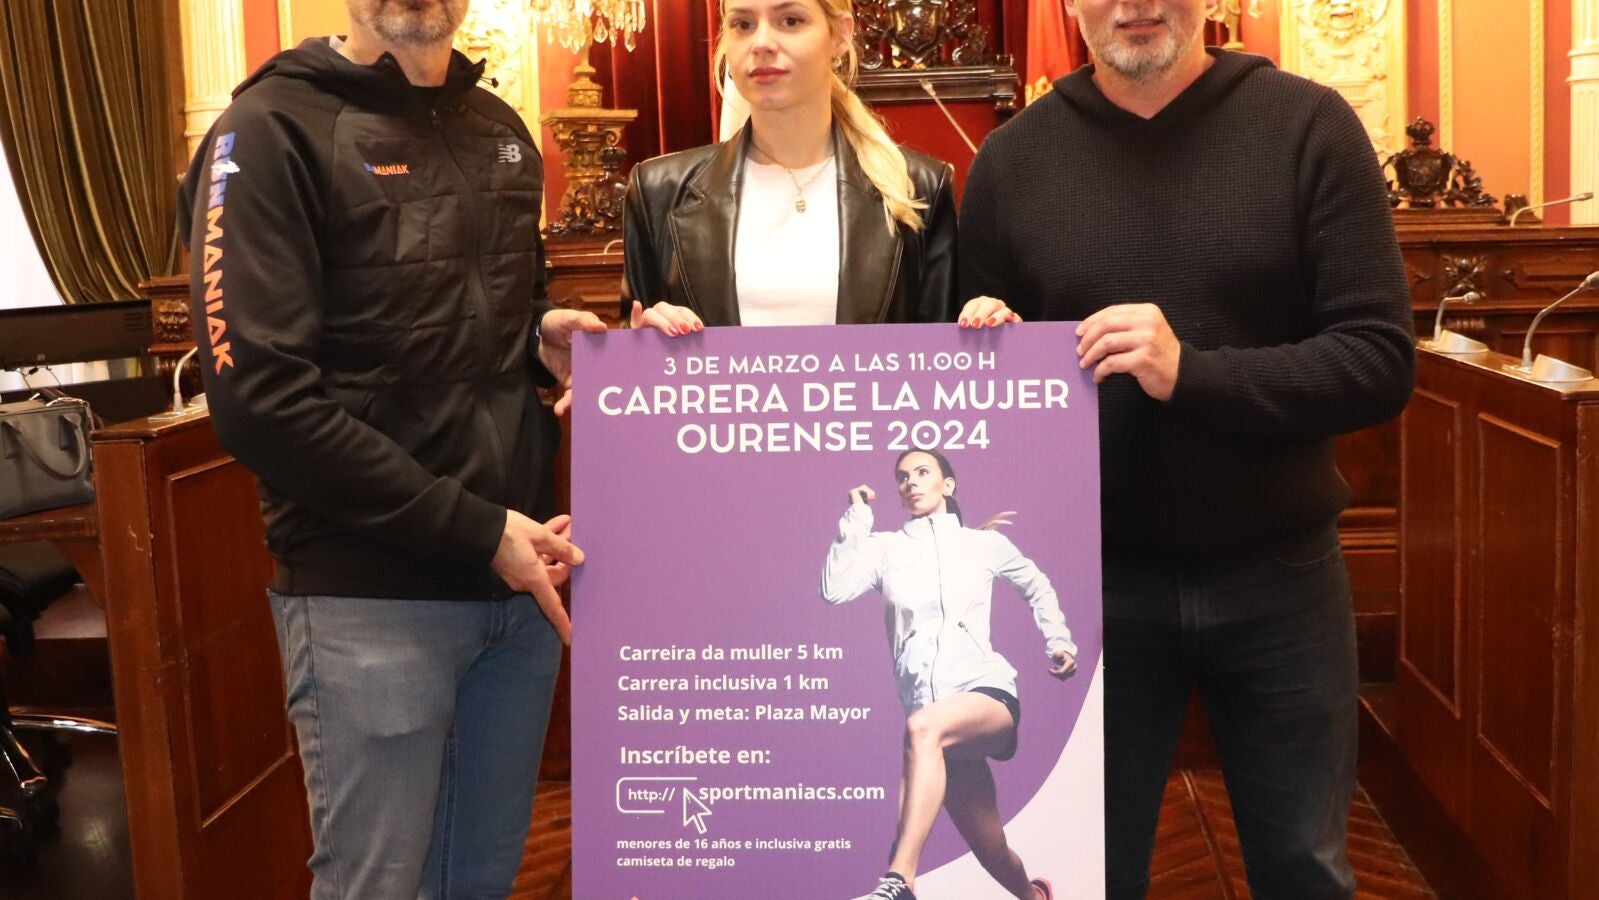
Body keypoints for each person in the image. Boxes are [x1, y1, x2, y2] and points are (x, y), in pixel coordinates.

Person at [958, 2, 1416, 898]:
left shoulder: (1308, 126)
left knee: (1305, 871)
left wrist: (1191, 373)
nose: (1134, 6)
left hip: (1280, 579)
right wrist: (982, 343)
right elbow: (979, 402)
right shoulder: (1010, 161)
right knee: (1086, 875)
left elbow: (1378, 361)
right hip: (1091, 590)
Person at [176, 1, 605, 895]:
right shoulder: (267, 131)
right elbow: (259, 402)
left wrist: (538, 335)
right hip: (368, 595)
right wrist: (477, 529)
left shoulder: (498, 128)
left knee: (477, 882)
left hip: (514, 586)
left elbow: (476, 311)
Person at [619, 0, 1016, 332]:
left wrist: (991, 336)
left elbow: (941, 365)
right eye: (742, 24)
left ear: (840, 35)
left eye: (790, 21)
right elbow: (631, 371)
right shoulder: (658, 190)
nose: (761, 43)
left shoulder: (919, 188)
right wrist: (634, 347)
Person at [821, 450, 1077, 900]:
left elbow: (1036, 585)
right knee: (992, 851)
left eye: (923, 472)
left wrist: (1059, 641)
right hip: (932, 722)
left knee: (921, 731)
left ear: (948, 484)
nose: (911, 482)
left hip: (986, 693)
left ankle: (900, 882)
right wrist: (856, 521)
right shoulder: (884, 548)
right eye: (903, 477)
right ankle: (1035, 895)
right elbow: (835, 590)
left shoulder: (983, 545)